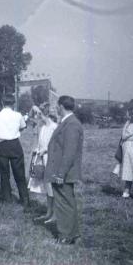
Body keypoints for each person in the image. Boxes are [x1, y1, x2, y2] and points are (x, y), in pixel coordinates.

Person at [45, 95, 84, 245]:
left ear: (61, 106)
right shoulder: (68, 122)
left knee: (63, 203)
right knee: (67, 201)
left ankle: (66, 236)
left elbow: (70, 152)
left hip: (63, 172)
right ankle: (72, 233)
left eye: (57, 106)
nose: (56, 108)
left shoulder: (72, 124)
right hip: (62, 170)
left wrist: (61, 173)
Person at [0, 94, 29, 207]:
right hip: (15, 144)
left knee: (4, 174)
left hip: (2, 146)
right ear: (13, 103)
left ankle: (7, 199)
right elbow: (23, 127)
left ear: (2, 103)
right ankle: (25, 199)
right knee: (19, 173)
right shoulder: (18, 115)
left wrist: (0, 132)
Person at [28, 105, 58, 223]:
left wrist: (45, 149)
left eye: (40, 114)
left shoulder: (55, 127)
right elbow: (42, 142)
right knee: (47, 187)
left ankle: (55, 214)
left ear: (45, 115)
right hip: (42, 159)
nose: (38, 117)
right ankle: (49, 212)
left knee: (52, 188)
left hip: (52, 160)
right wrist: (37, 149)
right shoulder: (44, 127)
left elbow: (57, 146)